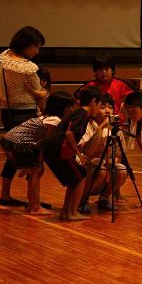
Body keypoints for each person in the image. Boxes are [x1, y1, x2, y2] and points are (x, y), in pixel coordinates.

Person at [0, 91, 75, 215]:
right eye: (70, 107)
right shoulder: (54, 121)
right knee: (36, 171)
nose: (72, 109)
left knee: (34, 171)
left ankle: (31, 204)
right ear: (64, 108)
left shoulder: (47, 117)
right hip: (18, 143)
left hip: (12, 141)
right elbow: (45, 143)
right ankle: (35, 207)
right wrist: (40, 162)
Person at [0, 26, 47, 208]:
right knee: (32, 159)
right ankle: (33, 202)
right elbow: (40, 95)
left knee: (12, 155)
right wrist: (41, 94)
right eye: (36, 47)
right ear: (26, 45)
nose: (37, 51)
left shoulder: (5, 59)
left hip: (7, 112)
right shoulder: (27, 68)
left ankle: (5, 194)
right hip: (25, 113)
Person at [43, 86, 102, 221]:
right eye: (99, 104)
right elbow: (70, 134)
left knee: (74, 178)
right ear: (93, 101)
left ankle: (66, 212)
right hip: (58, 149)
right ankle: (72, 212)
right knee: (81, 177)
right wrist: (79, 154)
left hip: (52, 149)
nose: (99, 109)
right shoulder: (82, 113)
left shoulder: (80, 113)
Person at [79, 93, 128, 213]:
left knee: (121, 170)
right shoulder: (87, 126)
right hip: (86, 168)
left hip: (104, 166)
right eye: (103, 107)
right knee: (100, 170)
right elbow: (85, 152)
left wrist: (110, 161)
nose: (107, 110)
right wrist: (101, 127)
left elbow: (118, 156)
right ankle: (81, 200)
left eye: (110, 107)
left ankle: (104, 199)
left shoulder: (116, 130)